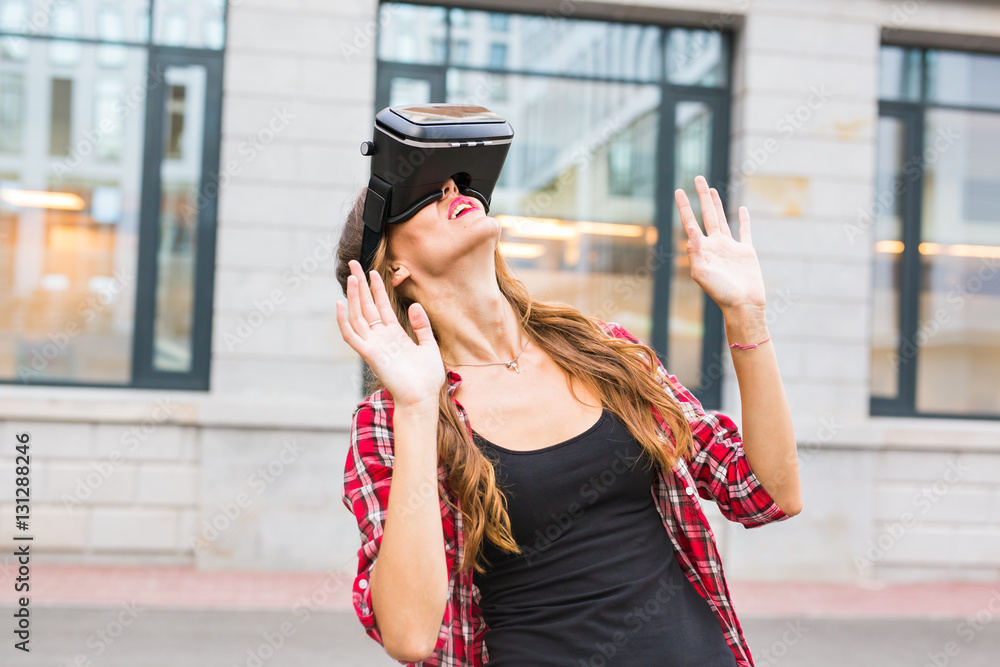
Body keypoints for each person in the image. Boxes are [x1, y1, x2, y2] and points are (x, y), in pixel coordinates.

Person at [335, 174, 802, 666]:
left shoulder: (601, 350)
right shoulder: (392, 419)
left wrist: (747, 316)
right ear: (393, 264)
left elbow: (767, 494)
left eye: (458, 183)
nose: (454, 189)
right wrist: (415, 406)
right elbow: (410, 635)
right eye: (424, 196)